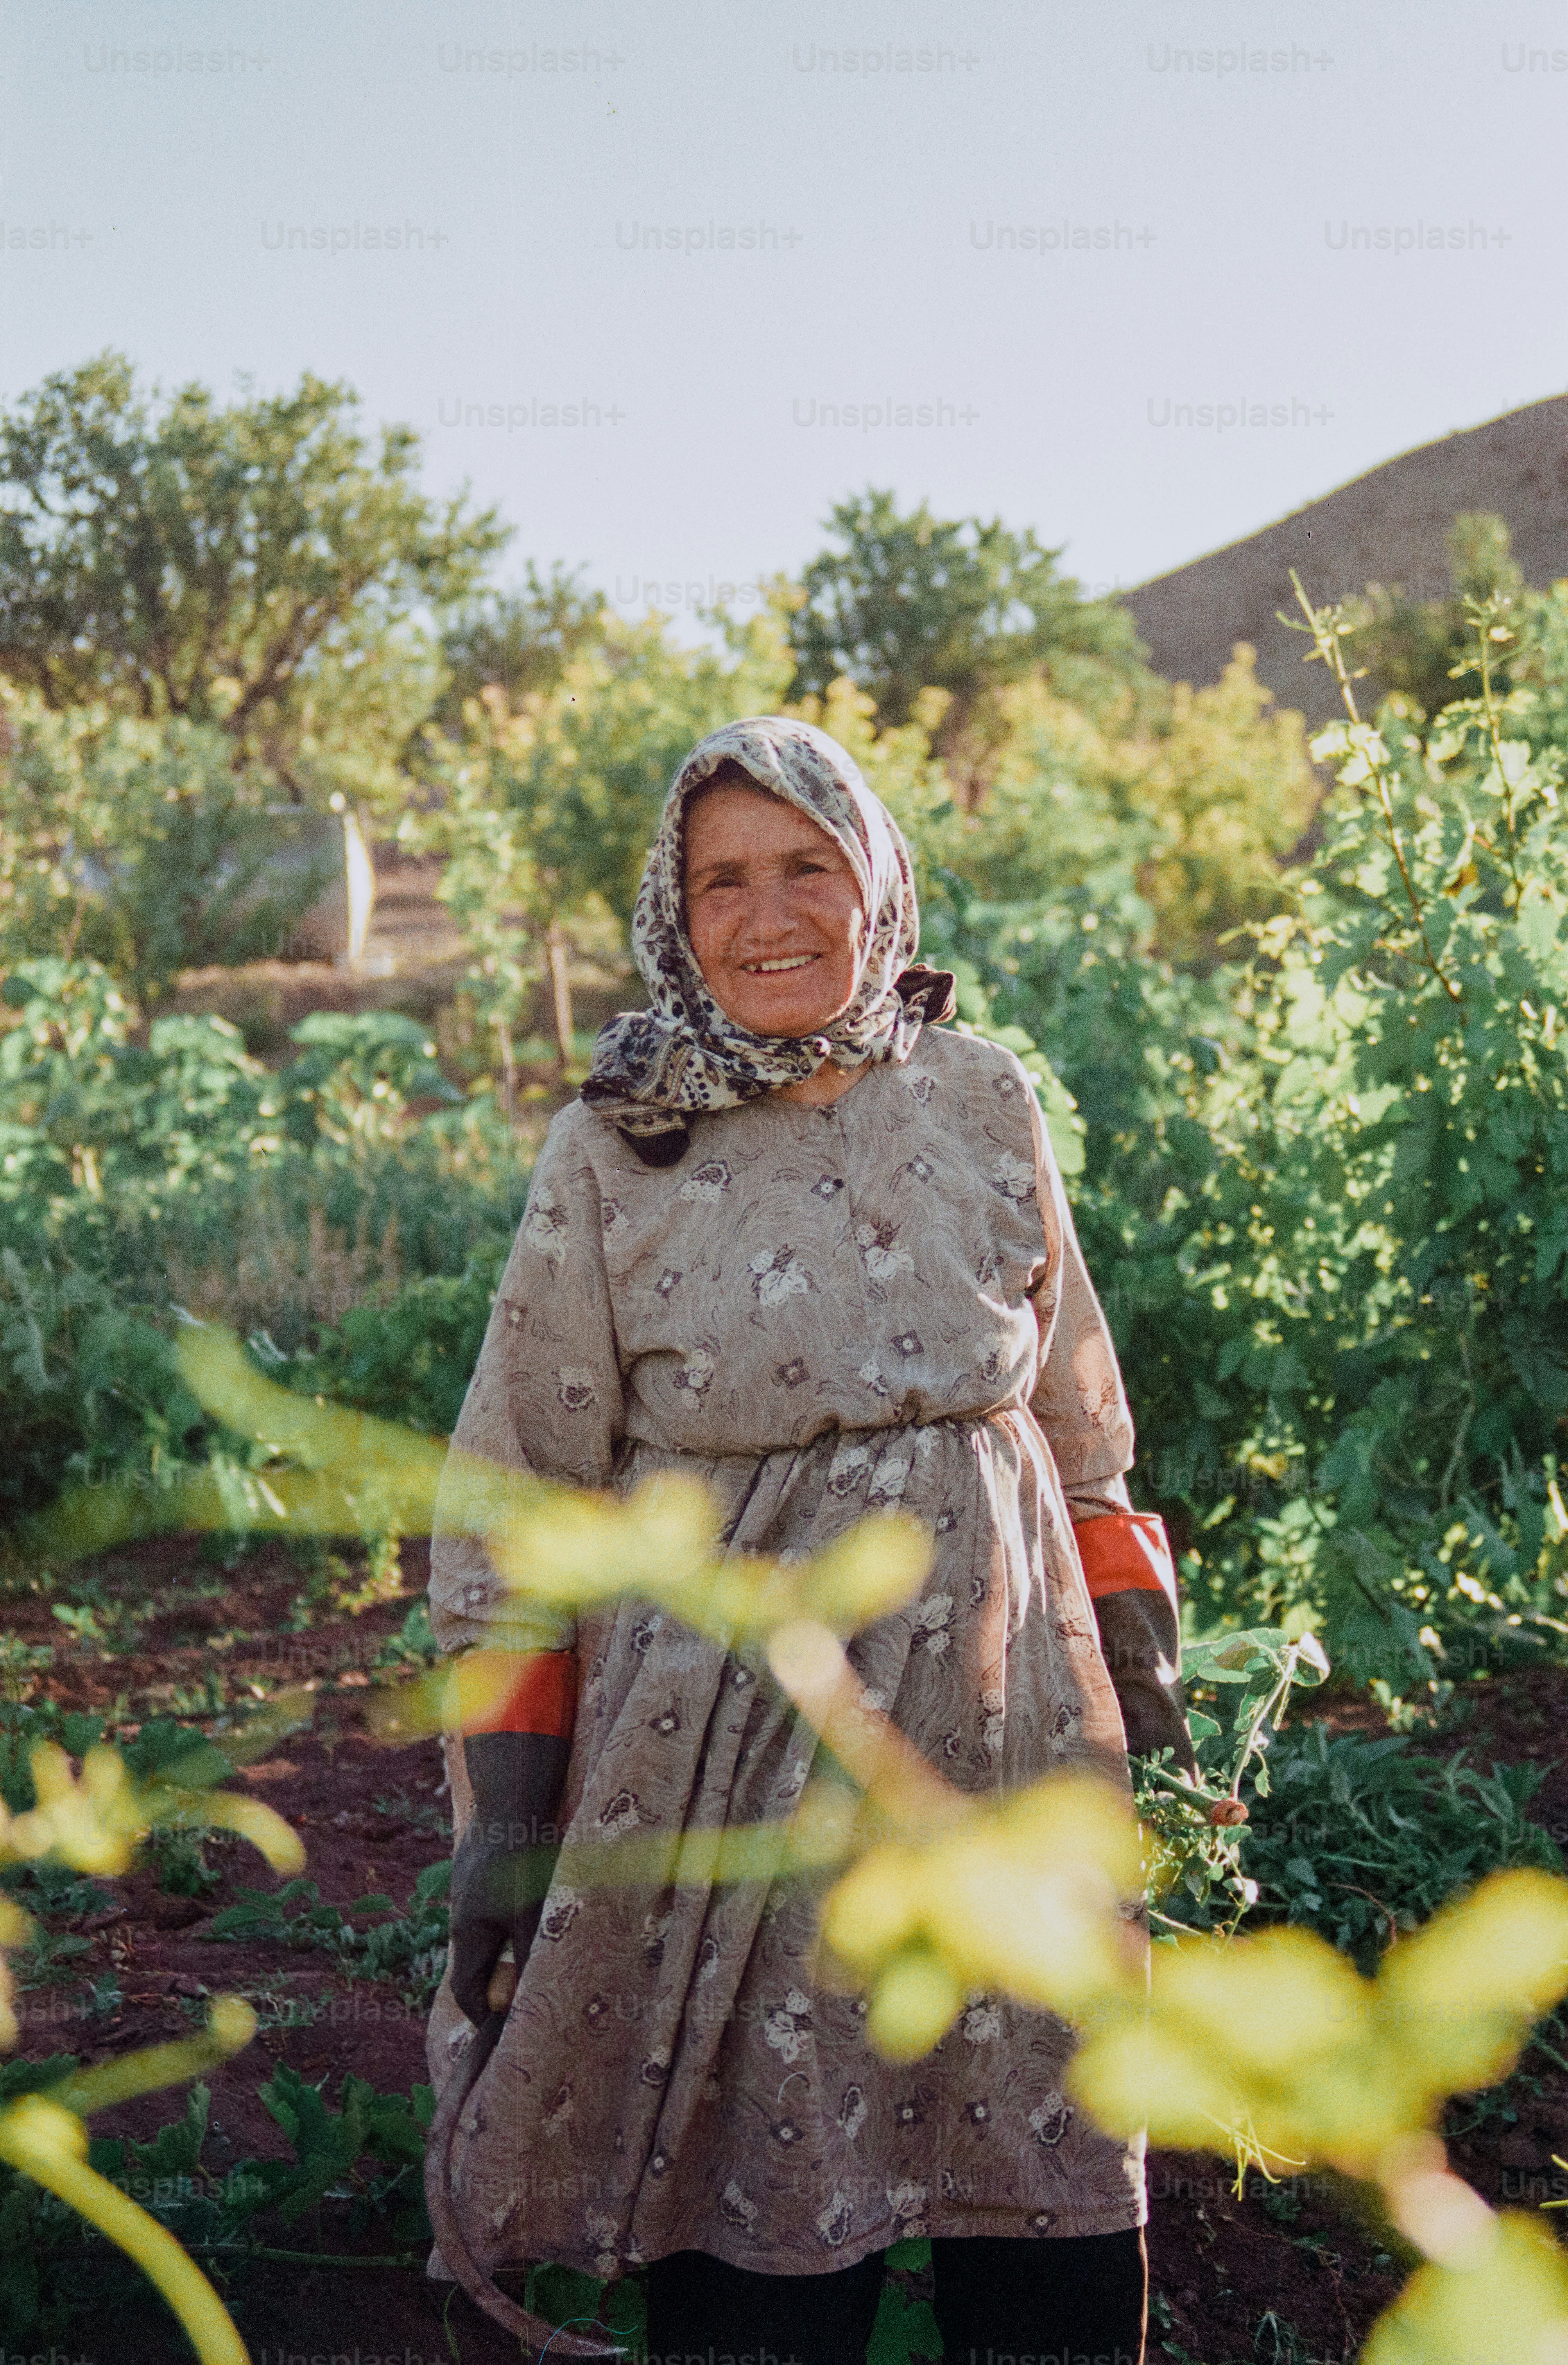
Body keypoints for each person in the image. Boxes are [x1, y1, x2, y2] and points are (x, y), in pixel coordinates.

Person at [426, 716, 1193, 2365]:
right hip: (738, 1758)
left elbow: (1077, 1409)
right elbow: (519, 1497)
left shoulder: (985, 1096)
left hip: (1008, 1730)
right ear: (672, 908)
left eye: (806, 869)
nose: (767, 916)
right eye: (723, 880)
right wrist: (503, 1818)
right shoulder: (618, 1148)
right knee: (764, 2182)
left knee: (1045, 2149)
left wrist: (1136, 1647)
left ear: (878, 884)